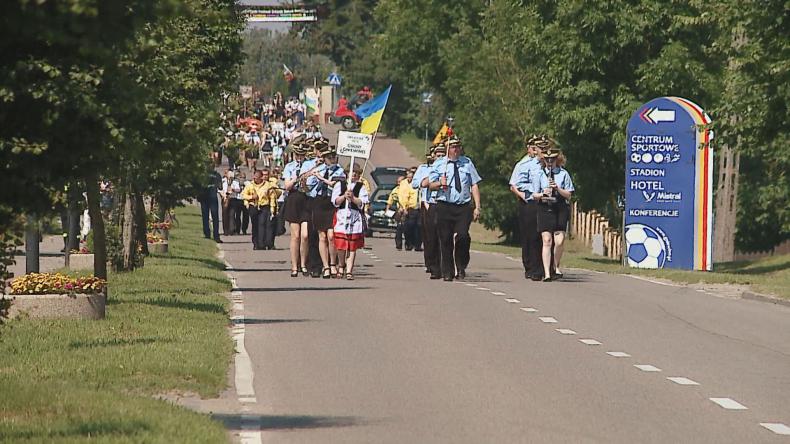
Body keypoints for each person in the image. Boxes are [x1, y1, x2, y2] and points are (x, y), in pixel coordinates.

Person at [428, 136, 482, 281]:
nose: (456, 149)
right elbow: (430, 185)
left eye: (458, 147)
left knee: (463, 236)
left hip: (463, 206)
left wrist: (477, 206)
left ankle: (461, 265)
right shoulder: (439, 164)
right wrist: (440, 182)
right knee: (445, 239)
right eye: (453, 147)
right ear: (447, 149)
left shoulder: (467, 163)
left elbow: (474, 184)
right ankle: (447, 271)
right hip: (445, 205)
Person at [509, 135, 550, 280]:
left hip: (548, 203)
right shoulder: (525, 165)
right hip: (531, 202)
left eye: (546, 148)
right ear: (535, 150)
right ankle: (533, 267)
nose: (544, 151)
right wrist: (532, 193)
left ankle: (547, 267)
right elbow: (517, 184)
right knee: (531, 236)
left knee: (546, 236)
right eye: (541, 148)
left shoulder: (551, 164)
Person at [534, 147, 574, 281]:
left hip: (560, 207)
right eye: (547, 160)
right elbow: (534, 195)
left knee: (559, 240)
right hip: (544, 207)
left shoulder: (564, 174)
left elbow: (569, 194)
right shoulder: (539, 174)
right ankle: (547, 273)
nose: (549, 162)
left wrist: (557, 188)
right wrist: (543, 193)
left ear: (557, 160)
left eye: (552, 160)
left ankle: (555, 265)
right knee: (547, 240)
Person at [310, 144, 346, 278]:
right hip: (319, 202)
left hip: (331, 204)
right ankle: (325, 266)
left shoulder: (339, 171)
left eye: (333, 157)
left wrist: (321, 178)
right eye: (329, 157)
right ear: (324, 158)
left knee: (331, 236)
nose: (332, 160)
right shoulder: (319, 169)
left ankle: (332, 264)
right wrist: (313, 174)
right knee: (322, 236)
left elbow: (333, 184)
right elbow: (309, 185)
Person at [332, 164, 369, 280]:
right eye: (352, 172)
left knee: (352, 246)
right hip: (342, 216)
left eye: (356, 173)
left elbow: (362, 202)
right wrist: (344, 196)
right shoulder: (340, 185)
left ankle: (349, 270)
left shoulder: (360, 186)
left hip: (354, 217)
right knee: (341, 246)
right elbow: (335, 201)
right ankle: (341, 265)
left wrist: (353, 198)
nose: (353, 175)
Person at [415, 143, 445, 279]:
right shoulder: (425, 168)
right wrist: (427, 180)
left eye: (442, 155)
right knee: (430, 237)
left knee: (444, 236)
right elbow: (417, 184)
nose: (440, 157)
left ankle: (445, 266)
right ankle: (432, 265)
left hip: (444, 204)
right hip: (428, 204)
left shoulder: (448, 167)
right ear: (433, 156)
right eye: (438, 155)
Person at [282, 137, 310, 276]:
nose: (300, 157)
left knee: (305, 235)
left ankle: (304, 264)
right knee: (295, 236)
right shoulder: (289, 167)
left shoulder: (309, 165)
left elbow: (309, 188)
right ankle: (294, 265)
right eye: (297, 155)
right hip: (293, 199)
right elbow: (286, 186)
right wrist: (296, 177)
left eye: (302, 155)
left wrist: (305, 181)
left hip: (305, 200)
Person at [242, 169, 281, 250]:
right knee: (255, 225)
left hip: (264, 206)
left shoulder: (267, 185)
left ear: (261, 177)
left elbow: (273, 196)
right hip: (254, 206)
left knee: (262, 224)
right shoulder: (250, 185)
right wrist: (251, 197)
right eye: (254, 177)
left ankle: (262, 244)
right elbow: (244, 195)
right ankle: (256, 243)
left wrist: (272, 209)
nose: (255, 178)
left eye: (257, 177)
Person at [197, 164, 222, 243]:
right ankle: (216, 235)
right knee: (215, 217)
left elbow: (197, 186)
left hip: (204, 197)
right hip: (212, 197)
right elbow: (220, 187)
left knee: (205, 216)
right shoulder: (217, 175)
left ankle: (207, 233)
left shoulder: (201, 175)